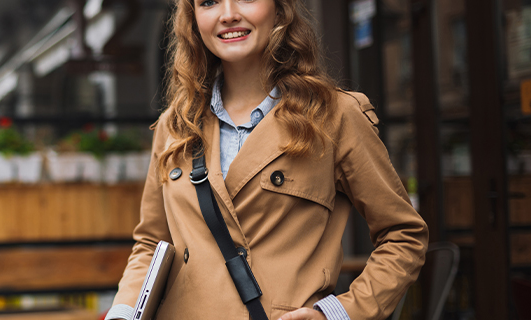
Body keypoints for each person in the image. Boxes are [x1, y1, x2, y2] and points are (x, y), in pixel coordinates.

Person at [105, 0, 429, 319]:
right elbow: (151, 243)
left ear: (279, 7)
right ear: (192, 19)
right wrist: (122, 312)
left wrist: (336, 313)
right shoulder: (175, 125)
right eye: (208, 2)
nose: (229, 14)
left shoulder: (334, 116)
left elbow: (403, 236)